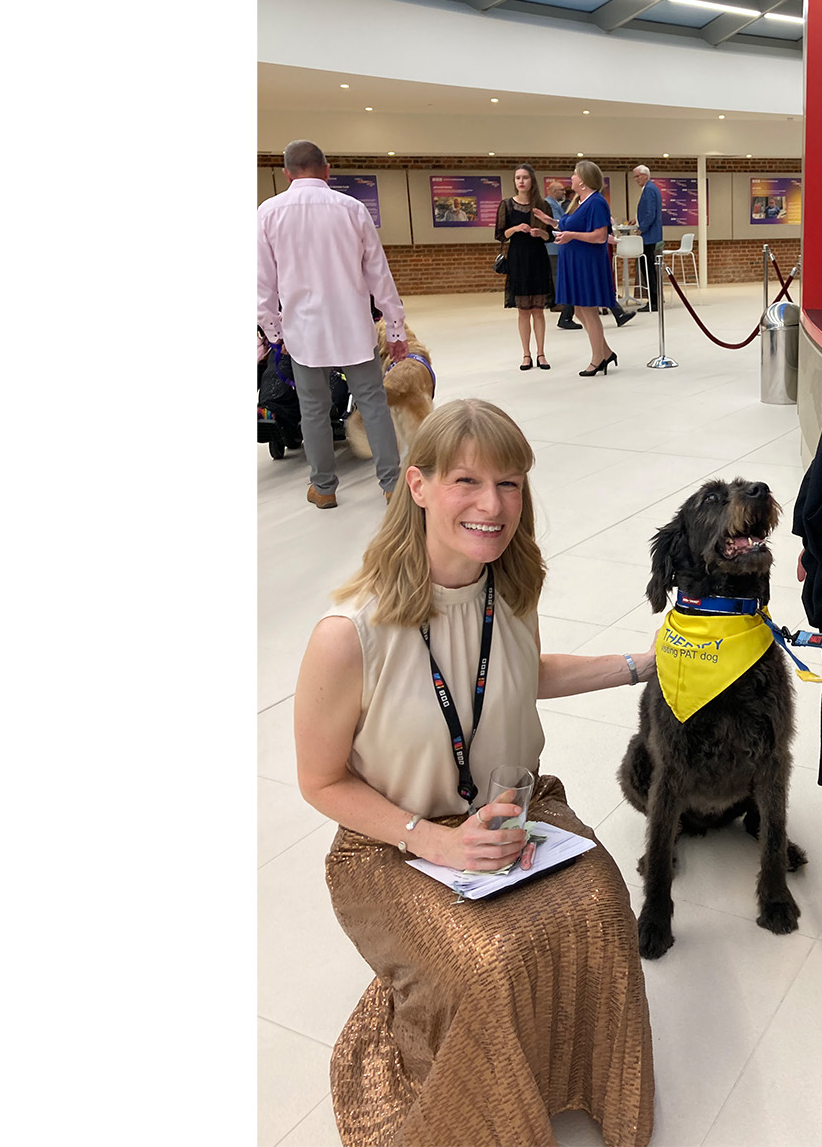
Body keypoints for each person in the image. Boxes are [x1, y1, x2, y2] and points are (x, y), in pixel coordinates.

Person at [294, 397, 658, 1146]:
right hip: (390, 844)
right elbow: (320, 782)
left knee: (603, 905)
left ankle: (580, 1085)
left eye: (511, 483)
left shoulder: (510, 588)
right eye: (467, 482)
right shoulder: (348, 635)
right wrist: (435, 841)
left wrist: (646, 666)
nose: (493, 506)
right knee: (486, 965)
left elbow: (520, 674)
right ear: (417, 485)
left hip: (512, 807)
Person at [258, 139, 411, 508]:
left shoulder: (267, 212)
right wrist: (395, 327)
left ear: (286, 174)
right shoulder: (353, 209)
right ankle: (391, 484)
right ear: (327, 170)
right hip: (353, 328)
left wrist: (275, 333)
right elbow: (379, 274)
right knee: (373, 403)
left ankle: (324, 488)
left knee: (312, 408)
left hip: (302, 332)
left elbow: (262, 283)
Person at [553, 160, 631, 375]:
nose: (572, 178)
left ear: (585, 180)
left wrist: (571, 235)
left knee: (588, 310)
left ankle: (597, 359)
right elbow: (569, 226)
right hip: (575, 260)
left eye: (575, 174)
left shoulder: (596, 202)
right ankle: (605, 352)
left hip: (587, 262)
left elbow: (599, 236)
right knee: (578, 309)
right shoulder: (581, 201)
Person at [499, 163, 556, 372]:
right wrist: (515, 228)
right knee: (523, 311)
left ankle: (541, 353)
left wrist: (541, 234)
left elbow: (551, 235)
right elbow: (500, 234)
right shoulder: (507, 205)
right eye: (517, 178)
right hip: (518, 258)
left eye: (524, 177)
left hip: (538, 257)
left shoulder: (542, 205)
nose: (521, 181)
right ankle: (526, 354)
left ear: (532, 180)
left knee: (538, 310)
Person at [545, 181, 579, 332]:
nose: (563, 193)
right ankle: (559, 302)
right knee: (555, 275)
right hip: (554, 247)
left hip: (559, 246)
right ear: (552, 191)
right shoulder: (550, 204)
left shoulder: (556, 203)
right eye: (560, 190)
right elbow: (559, 222)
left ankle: (563, 305)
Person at [630, 165, 664, 315]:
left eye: (637, 176)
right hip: (650, 233)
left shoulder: (649, 190)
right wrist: (637, 220)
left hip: (649, 236)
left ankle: (654, 300)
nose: (636, 179)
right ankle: (654, 299)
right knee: (648, 268)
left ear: (645, 175)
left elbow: (650, 213)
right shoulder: (650, 189)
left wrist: (641, 228)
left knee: (648, 269)